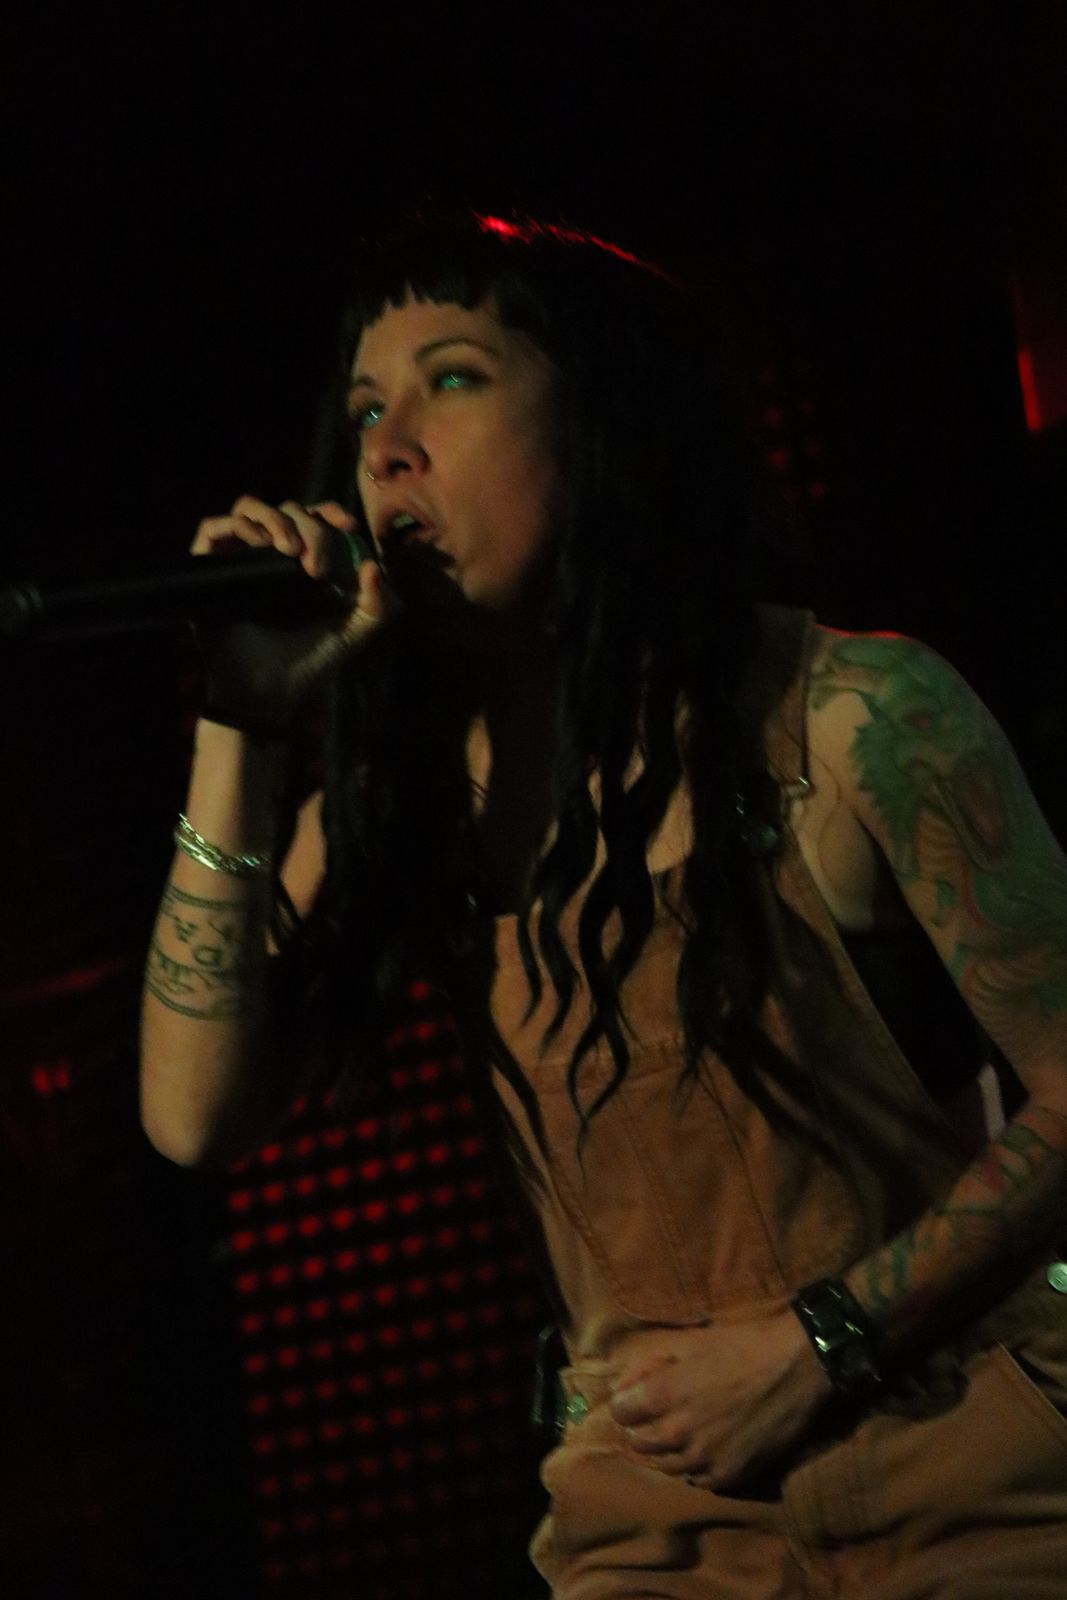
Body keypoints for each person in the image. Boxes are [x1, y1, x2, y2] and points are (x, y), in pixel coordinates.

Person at [139, 208, 1067, 1597]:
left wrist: (823, 1341)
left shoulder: (853, 717)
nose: (387, 448)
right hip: (656, 1533)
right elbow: (191, 1117)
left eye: (453, 379)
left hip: (970, 1481)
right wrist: (244, 719)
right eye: (367, 409)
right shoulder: (399, 813)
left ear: (603, 424)